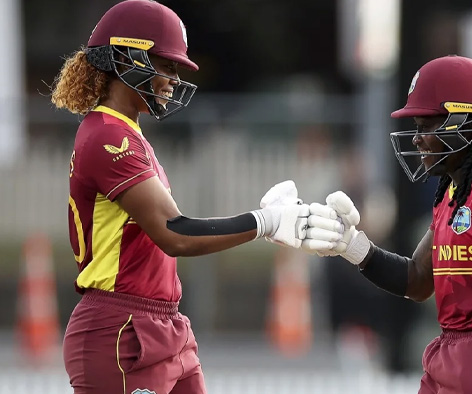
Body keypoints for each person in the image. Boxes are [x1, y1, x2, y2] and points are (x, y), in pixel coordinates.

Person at [50, 1, 310, 393]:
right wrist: (265, 221)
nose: (172, 79)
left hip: (158, 322)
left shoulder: (126, 133)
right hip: (120, 329)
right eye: (166, 65)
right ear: (129, 58)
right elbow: (176, 233)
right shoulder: (109, 135)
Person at [301, 55, 472, 394]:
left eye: (427, 125)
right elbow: (417, 280)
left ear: (466, 122)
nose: (417, 138)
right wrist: (353, 246)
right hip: (453, 352)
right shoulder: (453, 192)